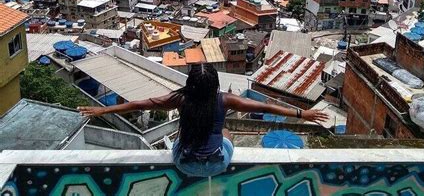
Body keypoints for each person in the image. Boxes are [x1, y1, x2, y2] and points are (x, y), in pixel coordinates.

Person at [78, 63, 329, 177]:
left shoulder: (179, 99)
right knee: (226, 131)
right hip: (217, 165)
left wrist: (101, 111)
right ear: (215, 84)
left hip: (182, 164)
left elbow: (138, 104)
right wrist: (303, 114)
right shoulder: (226, 100)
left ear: (189, 84)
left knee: (180, 134)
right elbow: (266, 106)